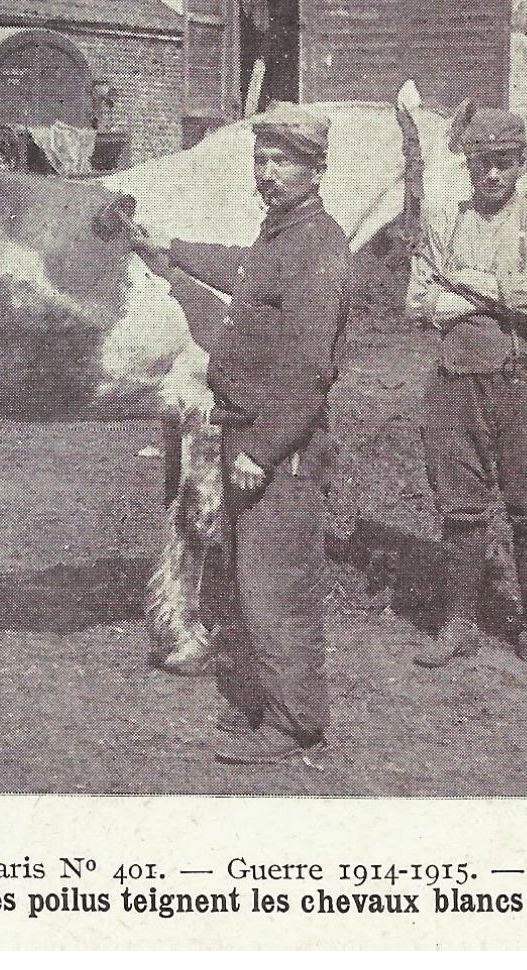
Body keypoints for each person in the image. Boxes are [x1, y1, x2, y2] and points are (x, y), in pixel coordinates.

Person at [148, 104, 354, 765]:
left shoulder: (318, 245)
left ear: (316, 169)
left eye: (281, 162)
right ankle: (268, 701)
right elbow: (241, 268)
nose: (266, 174)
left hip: (278, 448)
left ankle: (296, 725)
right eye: (259, 161)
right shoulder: (279, 234)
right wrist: (169, 250)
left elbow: (308, 369)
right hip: (245, 431)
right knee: (247, 579)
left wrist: (263, 452)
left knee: (277, 585)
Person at [405, 106, 527, 673]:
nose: (491, 176)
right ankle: (459, 623)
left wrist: (461, 282)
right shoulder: (444, 219)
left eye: (503, 164)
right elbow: (417, 303)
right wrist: (485, 297)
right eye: (481, 164)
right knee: (459, 505)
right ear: (468, 165)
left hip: (521, 383)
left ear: (520, 163)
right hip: (456, 382)